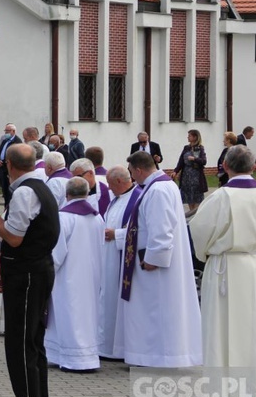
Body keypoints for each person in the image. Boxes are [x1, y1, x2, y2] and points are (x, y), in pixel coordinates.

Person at [0, 143, 60, 397]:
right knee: (33, 344)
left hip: (26, 275)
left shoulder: (25, 192)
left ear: (10, 166)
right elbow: (26, 235)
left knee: (21, 346)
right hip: (35, 269)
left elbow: (14, 236)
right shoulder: (40, 186)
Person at [189, 145, 256, 397]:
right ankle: (252, 391)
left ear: (226, 167)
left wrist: (206, 254)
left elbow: (199, 231)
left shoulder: (221, 197)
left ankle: (224, 394)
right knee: (254, 328)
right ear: (254, 166)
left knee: (221, 328)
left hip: (225, 268)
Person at [122, 151, 201, 367]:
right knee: (154, 310)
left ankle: (159, 356)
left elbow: (162, 229)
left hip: (156, 265)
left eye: (131, 172)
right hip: (154, 260)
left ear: (139, 169)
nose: (131, 178)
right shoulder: (160, 186)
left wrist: (154, 258)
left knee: (157, 310)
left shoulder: (157, 190)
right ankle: (153, 354)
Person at [45, 177, 103, 372]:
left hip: (67, 277)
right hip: (91, 275)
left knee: (68, 315)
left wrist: (46, 269)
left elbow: (56, 252)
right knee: (86, 316)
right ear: (87, 193)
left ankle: (73, 359)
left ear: (66, 195)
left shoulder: (63, 217)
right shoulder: (97, 217)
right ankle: (87, 357)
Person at [100, 165, 141, 360]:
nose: (108, 187)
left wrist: (116, 234)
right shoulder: (116, 199)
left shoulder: (137, 198)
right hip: (110, 259)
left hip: (122, 261)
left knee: (117, 302)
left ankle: (119, 348)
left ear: (118, 181)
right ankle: (106, 345)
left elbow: (141, 231)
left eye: (109, 183)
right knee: (107, 300)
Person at [170, 129, 208, 211]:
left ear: (195, 137)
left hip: (196, 176)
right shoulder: (186, 148)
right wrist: (175, 171)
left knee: (197, 198)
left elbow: (203, 161)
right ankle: (191, 212)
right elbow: (181, 161)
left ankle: (196, 214)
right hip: (186, 176)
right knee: (189, 198)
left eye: (190, 136)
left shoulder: (200, 148)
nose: (188, 137)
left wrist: (194, 159)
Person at [0, 123, 22, 208]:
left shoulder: (17, 141)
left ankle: (9, 208)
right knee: (4, 190)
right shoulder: (4, 141)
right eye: (5, 131)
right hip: (1, 168)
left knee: (10, 191)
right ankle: (6, 207)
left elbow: (16, 156)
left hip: (9, 169)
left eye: (7, 131)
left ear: (13, 131)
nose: (6, 133)